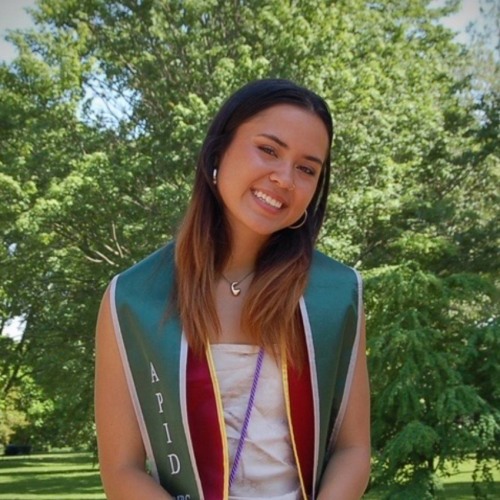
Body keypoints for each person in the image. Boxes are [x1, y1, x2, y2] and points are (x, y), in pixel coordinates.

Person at [95, 79, 370, 500]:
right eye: (269, 150)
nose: (284, 178)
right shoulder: (132, 299)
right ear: (217, 152)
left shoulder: (336, 293)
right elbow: (121, 469)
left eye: (307, 168)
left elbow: (352, 449)